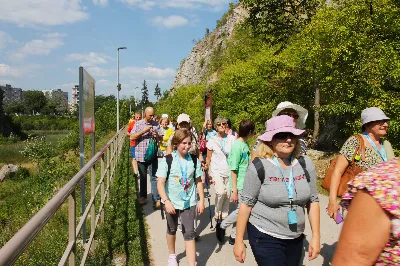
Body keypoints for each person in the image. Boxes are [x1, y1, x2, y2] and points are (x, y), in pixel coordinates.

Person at [233, 115, 320, 265]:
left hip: (295, 237)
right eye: (281, 136)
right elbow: (246, 205)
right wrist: (239, 240)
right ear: (270, 140)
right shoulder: (259, 166)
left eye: (291, 135)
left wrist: (316, 236)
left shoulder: (305, 164)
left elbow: (313, 201)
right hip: (265, 235)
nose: (288, 139)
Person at [327, 107, 395, 220]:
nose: (386, 124)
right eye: (380, 122)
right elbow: (337, 172)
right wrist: (332, 201)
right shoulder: (356, 141)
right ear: (368, 124)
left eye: (386, 121)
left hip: (383, 205)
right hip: (358, 204)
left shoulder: (386, 145)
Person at [331, 158, 400, 265]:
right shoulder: (385, 180)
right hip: (363, 196)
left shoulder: (384, 146)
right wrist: (332, 200)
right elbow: (337, 171)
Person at [156, 129, 205, 266]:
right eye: (184, 143)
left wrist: (201, 200)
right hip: (171, 202)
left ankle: (191, 263)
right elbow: (160, 183)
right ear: (176, 143)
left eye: (189, 143)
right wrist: (166, 201)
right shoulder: (168, 160)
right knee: (171, 229)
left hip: (189, 202)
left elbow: (198, 181)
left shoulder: (194, 161)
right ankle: (172, 255)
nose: (187, 146)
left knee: (189, 233)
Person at [216, 119, 255, 245]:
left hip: (246, 181)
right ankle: (222, 225)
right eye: (252, 131)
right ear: (249, 132)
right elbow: (233, 169)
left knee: (242, 210)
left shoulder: (245, 144)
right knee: (242, 210)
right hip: (239, 183)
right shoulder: (237, 146)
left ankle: (234, 236)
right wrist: (234, 190)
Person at [204, 116, 235, 221]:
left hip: (229, 170)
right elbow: (208, 158)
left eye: (224, 124)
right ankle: (217, 212)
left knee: (228, 193)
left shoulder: (232, 138)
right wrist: (206, 168)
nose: (222, 126)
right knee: (221, 192)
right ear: (215, 127)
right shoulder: (212, 140)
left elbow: (235, 155)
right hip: (217, 170)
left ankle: (224, 214)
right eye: (219, 124)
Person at [130, 107, 161, 207]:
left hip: (152, 155)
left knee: (154, 177)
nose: (152, 117)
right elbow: (132, 136)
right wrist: (143, 131)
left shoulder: (156, 124)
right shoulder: (138, 124)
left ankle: (156, 199)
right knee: (143, 177)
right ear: (145, 114)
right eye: (150, 115)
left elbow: (161, 138)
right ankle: (143, 197)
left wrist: (157, 135)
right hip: (140, 155)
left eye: (153, 115)